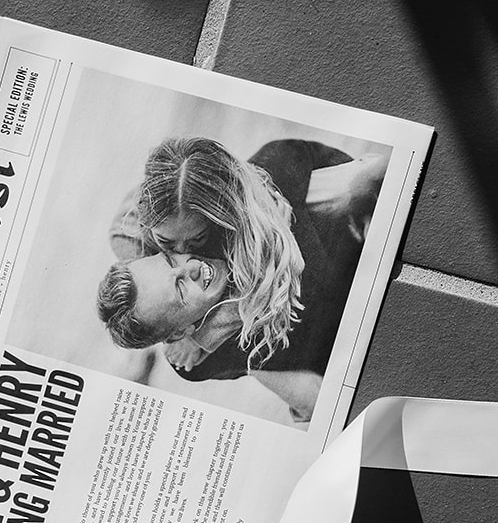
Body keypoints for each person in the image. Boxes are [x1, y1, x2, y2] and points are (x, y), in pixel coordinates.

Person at [98, 137, 387, 420]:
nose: (189, 258)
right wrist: (202, 334)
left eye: (197, 239)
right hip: (324, 321)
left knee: (357, 185)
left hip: (328, 232)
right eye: (168, 248)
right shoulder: (135, 243)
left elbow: (314, 288)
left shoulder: (259, 207)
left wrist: (208, 333)